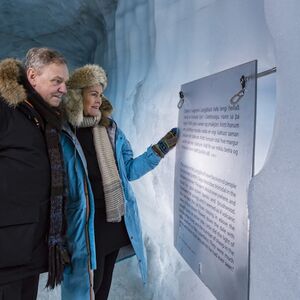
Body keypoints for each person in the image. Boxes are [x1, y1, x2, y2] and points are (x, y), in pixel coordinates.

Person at [60, 64, 178, 300]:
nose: (98, 100)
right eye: (93, 94)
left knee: (102, 288)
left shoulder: (111, 129)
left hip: (115, 221)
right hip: (86, 229)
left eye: (100, 94)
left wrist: (159, 150)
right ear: (76, 95)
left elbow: (130, 171)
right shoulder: (64, 135)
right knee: (85, 290)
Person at [0, 47, 70, 300]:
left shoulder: (41, 118)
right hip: (7, 250)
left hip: (29, 248)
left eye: (65, 82)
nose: (63, 88)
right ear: (32, 76)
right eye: (56, 81)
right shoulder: (6, 110)